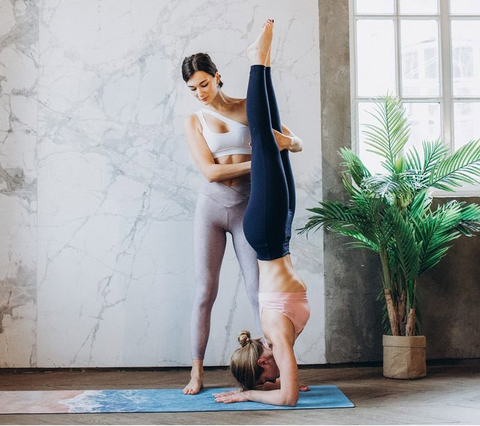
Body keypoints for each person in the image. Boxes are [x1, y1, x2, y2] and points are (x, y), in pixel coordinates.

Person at [214, 19, 309, 407]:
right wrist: (267, 385)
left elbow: (286, 399)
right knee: (274, 140)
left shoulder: (274, 333)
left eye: (267, 377)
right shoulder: (275, 341)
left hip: (267, 234)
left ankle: (257, 63)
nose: (278, 376)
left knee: (264, 141)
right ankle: (264, 65)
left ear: (263, 365)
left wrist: (248, 396)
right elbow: (285, 387)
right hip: (279, 234)